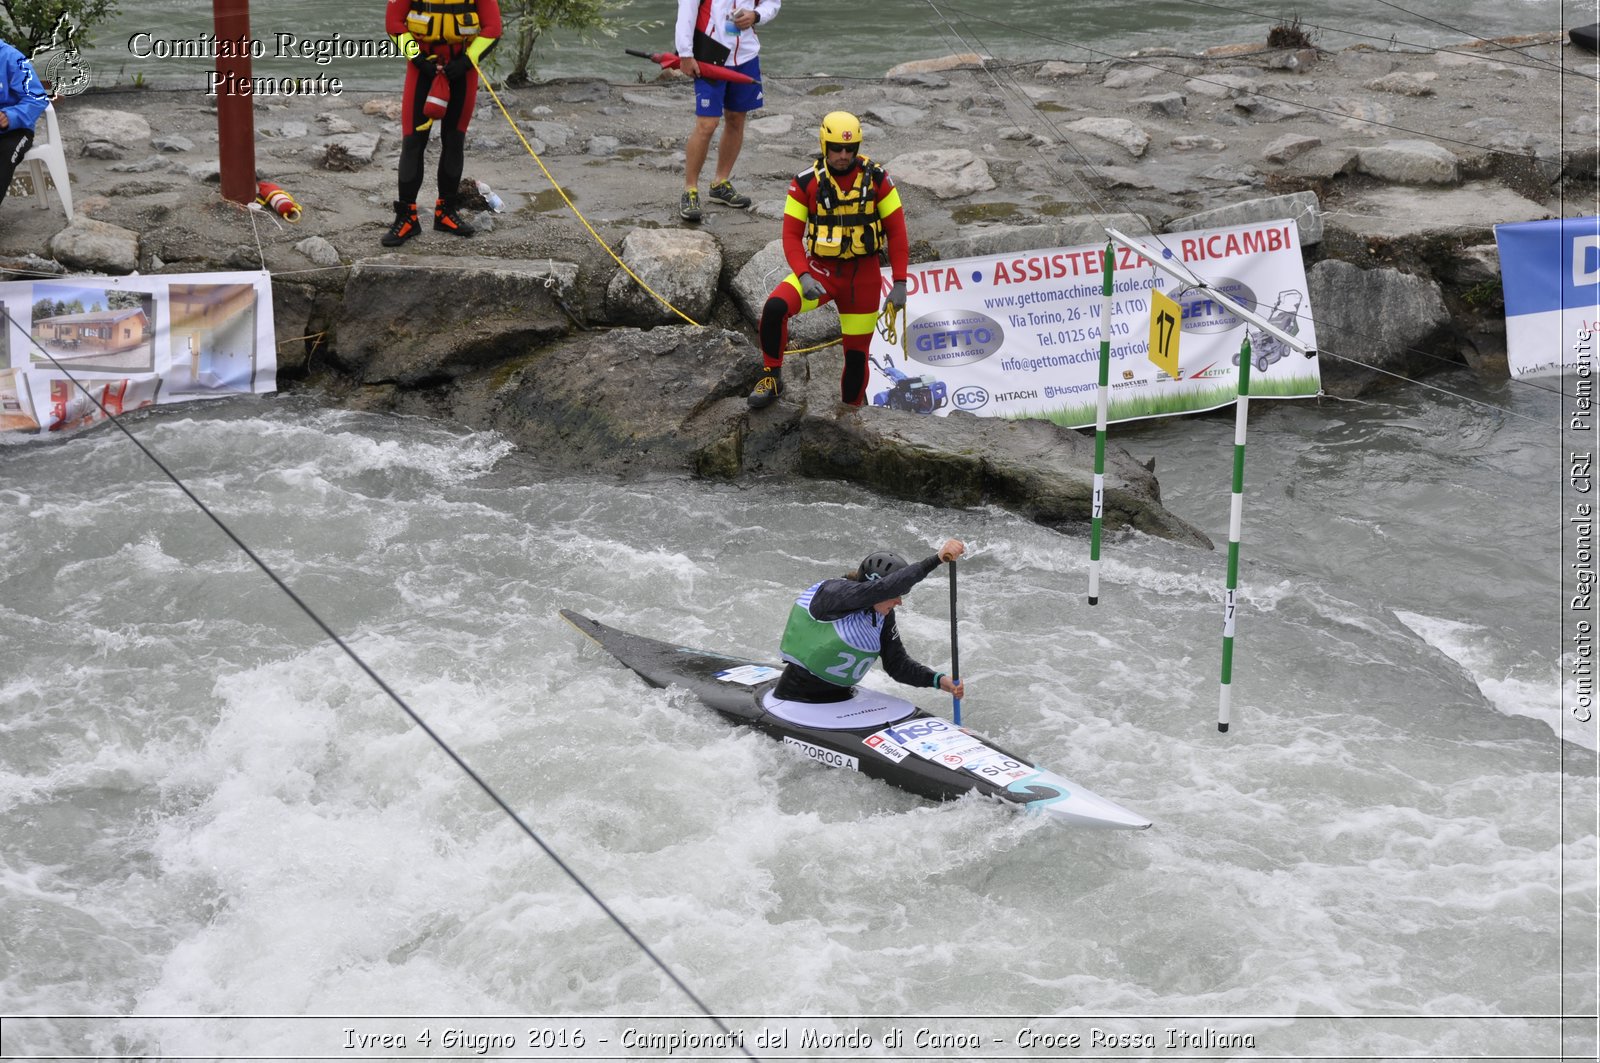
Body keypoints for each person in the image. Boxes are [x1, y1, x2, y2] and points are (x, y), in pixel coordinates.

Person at [748, 111, 909, 409]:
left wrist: (900, 282)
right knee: (774, 308)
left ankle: (851, 413)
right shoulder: (804, 183)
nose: (843, 155)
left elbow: (898, 233)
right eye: (836, 148)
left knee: (857, 355)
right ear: (824, 145)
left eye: (851, 149)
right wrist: (803, 275)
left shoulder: (878, 180)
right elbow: (791, 236)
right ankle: (772, 376)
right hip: (821, 272)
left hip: (864, 279)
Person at [773, 539, 966, 705]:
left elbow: (897, 665)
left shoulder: (882, 615)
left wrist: (939, 680)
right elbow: (883, 588)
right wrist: (936, 559)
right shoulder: (833, 595)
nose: (899, 601)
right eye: (896, 595)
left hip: (843, 700)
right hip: (795, 698)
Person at [382, 0, 502, 246]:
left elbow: (493, 28)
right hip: (421, 68)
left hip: (462, 70)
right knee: (413, 141)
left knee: (454, 139)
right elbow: (393, 24)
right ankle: (407, 218)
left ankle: (445, 212)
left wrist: (467, 62)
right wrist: (418, 60)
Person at [674, 0, 778, 223]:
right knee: (707, 125)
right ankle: (690, 189)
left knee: (736, 119)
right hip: (710, 54)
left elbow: (772, 3)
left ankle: (720, 183)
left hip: (747, 55)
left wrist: (756, 15)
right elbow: (687, 9)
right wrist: (685, 53)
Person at [0, 36, 49, 211]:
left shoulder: (11, 57)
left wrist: (9, 116)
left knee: (3, 158)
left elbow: (36, 98)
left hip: (14, 131)